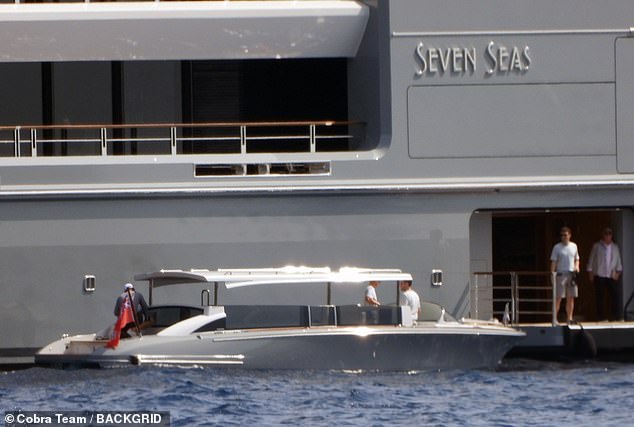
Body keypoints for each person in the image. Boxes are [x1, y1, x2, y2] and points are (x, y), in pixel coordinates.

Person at [587, 227, 623, 321]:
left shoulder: (615, 247)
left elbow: (618, 260)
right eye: (606, 233)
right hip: (600, 274)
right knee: (600, 296)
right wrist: (590, 272)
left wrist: (618, 272)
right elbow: (591, 259)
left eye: (609, 233)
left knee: (615, 295)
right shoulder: (597, 246)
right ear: (603, 235)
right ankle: (600, 317)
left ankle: (616, 316)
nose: (608, 235)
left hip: (611, 274)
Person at [550, 227, 580, 324]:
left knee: (571, 297)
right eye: (562, 235)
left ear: (569, 235)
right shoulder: (557, 247)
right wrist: (552, 274)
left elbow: (577, 258)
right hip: (560, 274)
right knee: (558, 297)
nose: (563, 237)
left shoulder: (574, 246)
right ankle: (554, 318)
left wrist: (577, 266)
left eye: (565, 235)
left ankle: (569, 318)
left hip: (571, 274)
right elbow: (553, 262)